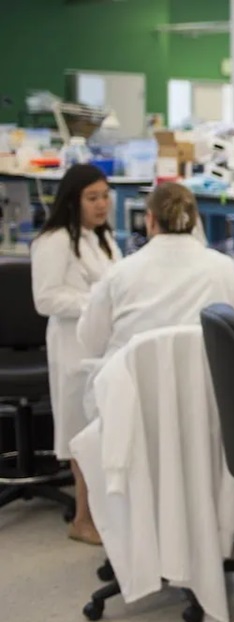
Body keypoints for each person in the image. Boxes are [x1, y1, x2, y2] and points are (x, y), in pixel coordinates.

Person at [30, 163, 123, 545]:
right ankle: (82, 519)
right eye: (92, 198)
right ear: (73, 199)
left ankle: (101, 514)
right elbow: (45, 299)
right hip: (72, 346)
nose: (101, 205)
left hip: (103, 344)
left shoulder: (101, 238)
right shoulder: (53, 241)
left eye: (104, 196)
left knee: (99, 429)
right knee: (79, 432)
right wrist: (96, 302)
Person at [76, 182, 234, 361]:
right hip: (201, 386)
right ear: (195, 219)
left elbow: (91, 343)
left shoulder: (120, 273)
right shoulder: (226, 269)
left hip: (133, 386)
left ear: (150, 220)